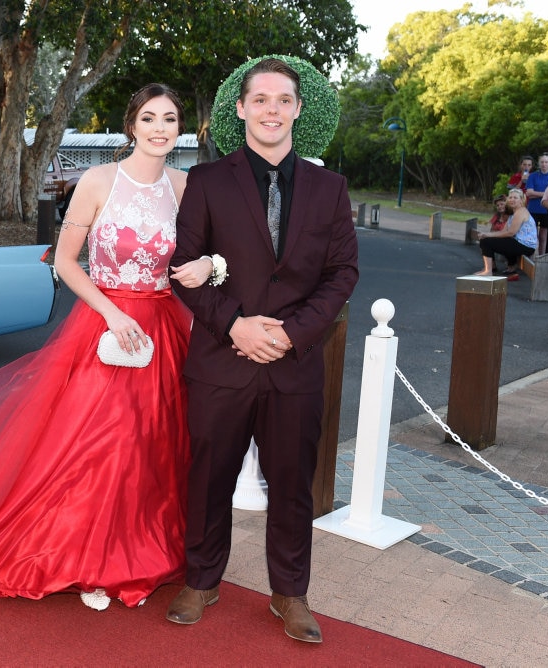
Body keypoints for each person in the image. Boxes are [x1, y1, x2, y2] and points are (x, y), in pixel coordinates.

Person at [0, 84, 214, 611]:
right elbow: (65, 262)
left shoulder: (186, 187)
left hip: (162, 326)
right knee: (97, 444)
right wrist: (110, 313)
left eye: (171, 119)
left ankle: (132, 550)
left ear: (180, 130)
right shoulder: (97, 181)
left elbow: (206, 257)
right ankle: (88, 560)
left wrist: (210, 266)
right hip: (104, 323)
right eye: (150, 118)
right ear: (132, 125)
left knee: (154, 446)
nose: (160, 128)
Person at [166, 57, 359, 643]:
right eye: (261, 99)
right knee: (208, 479)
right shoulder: (205, 181)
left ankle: (290, 593)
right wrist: (236, 328)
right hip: (221, 363)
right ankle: (202, 580)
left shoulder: (331, 188)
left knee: (293, 483)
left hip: (294, 364)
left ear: (298, 109)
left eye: (283, 100)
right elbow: (184, 270)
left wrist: (291, 334)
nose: (272, 109)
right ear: (243, 108)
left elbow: (342, 273)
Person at [473, 188, 537, 279]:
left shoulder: (521, 212)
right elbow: (504, 231)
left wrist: (488, 235)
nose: (512, 199)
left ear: (521, 200)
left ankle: (488, 271)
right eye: (510, 197)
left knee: (486, 241)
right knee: (493, 239)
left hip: (526, 246)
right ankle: (511, 267)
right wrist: (487, 234)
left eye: (515, 197)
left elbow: (511, 233)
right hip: (518, 242)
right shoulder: (512, 213)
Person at [525, 152, 548, 254]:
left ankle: (542, 256)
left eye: (546, 162)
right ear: (538, 163)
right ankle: (530, 256)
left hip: (547, 210)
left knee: (543, 236)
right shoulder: (533, 176)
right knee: (531, 235)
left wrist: (536, 194)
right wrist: (546, 194)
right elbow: (529, 193)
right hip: (533, 209)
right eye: (542, 162)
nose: (544, 164)